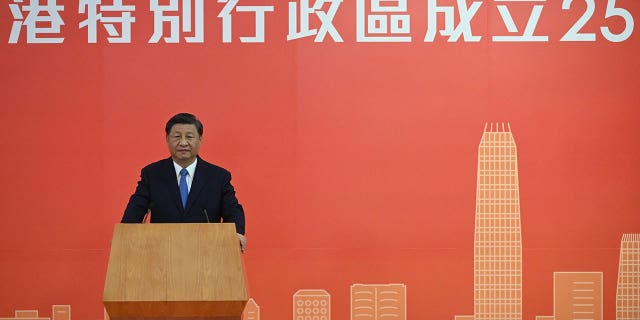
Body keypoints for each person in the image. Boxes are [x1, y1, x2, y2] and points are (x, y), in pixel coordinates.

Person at [121, 113, 246, 252]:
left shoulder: (218, 176)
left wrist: (237, 232)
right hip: (161, 254)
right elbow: (136, 209)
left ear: (200, 140)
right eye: (177, 137)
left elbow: (233, 210)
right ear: (167, 139)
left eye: (189, 137)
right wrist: (124, 235)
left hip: (207, 254)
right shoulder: (152, 174)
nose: (183, 142)